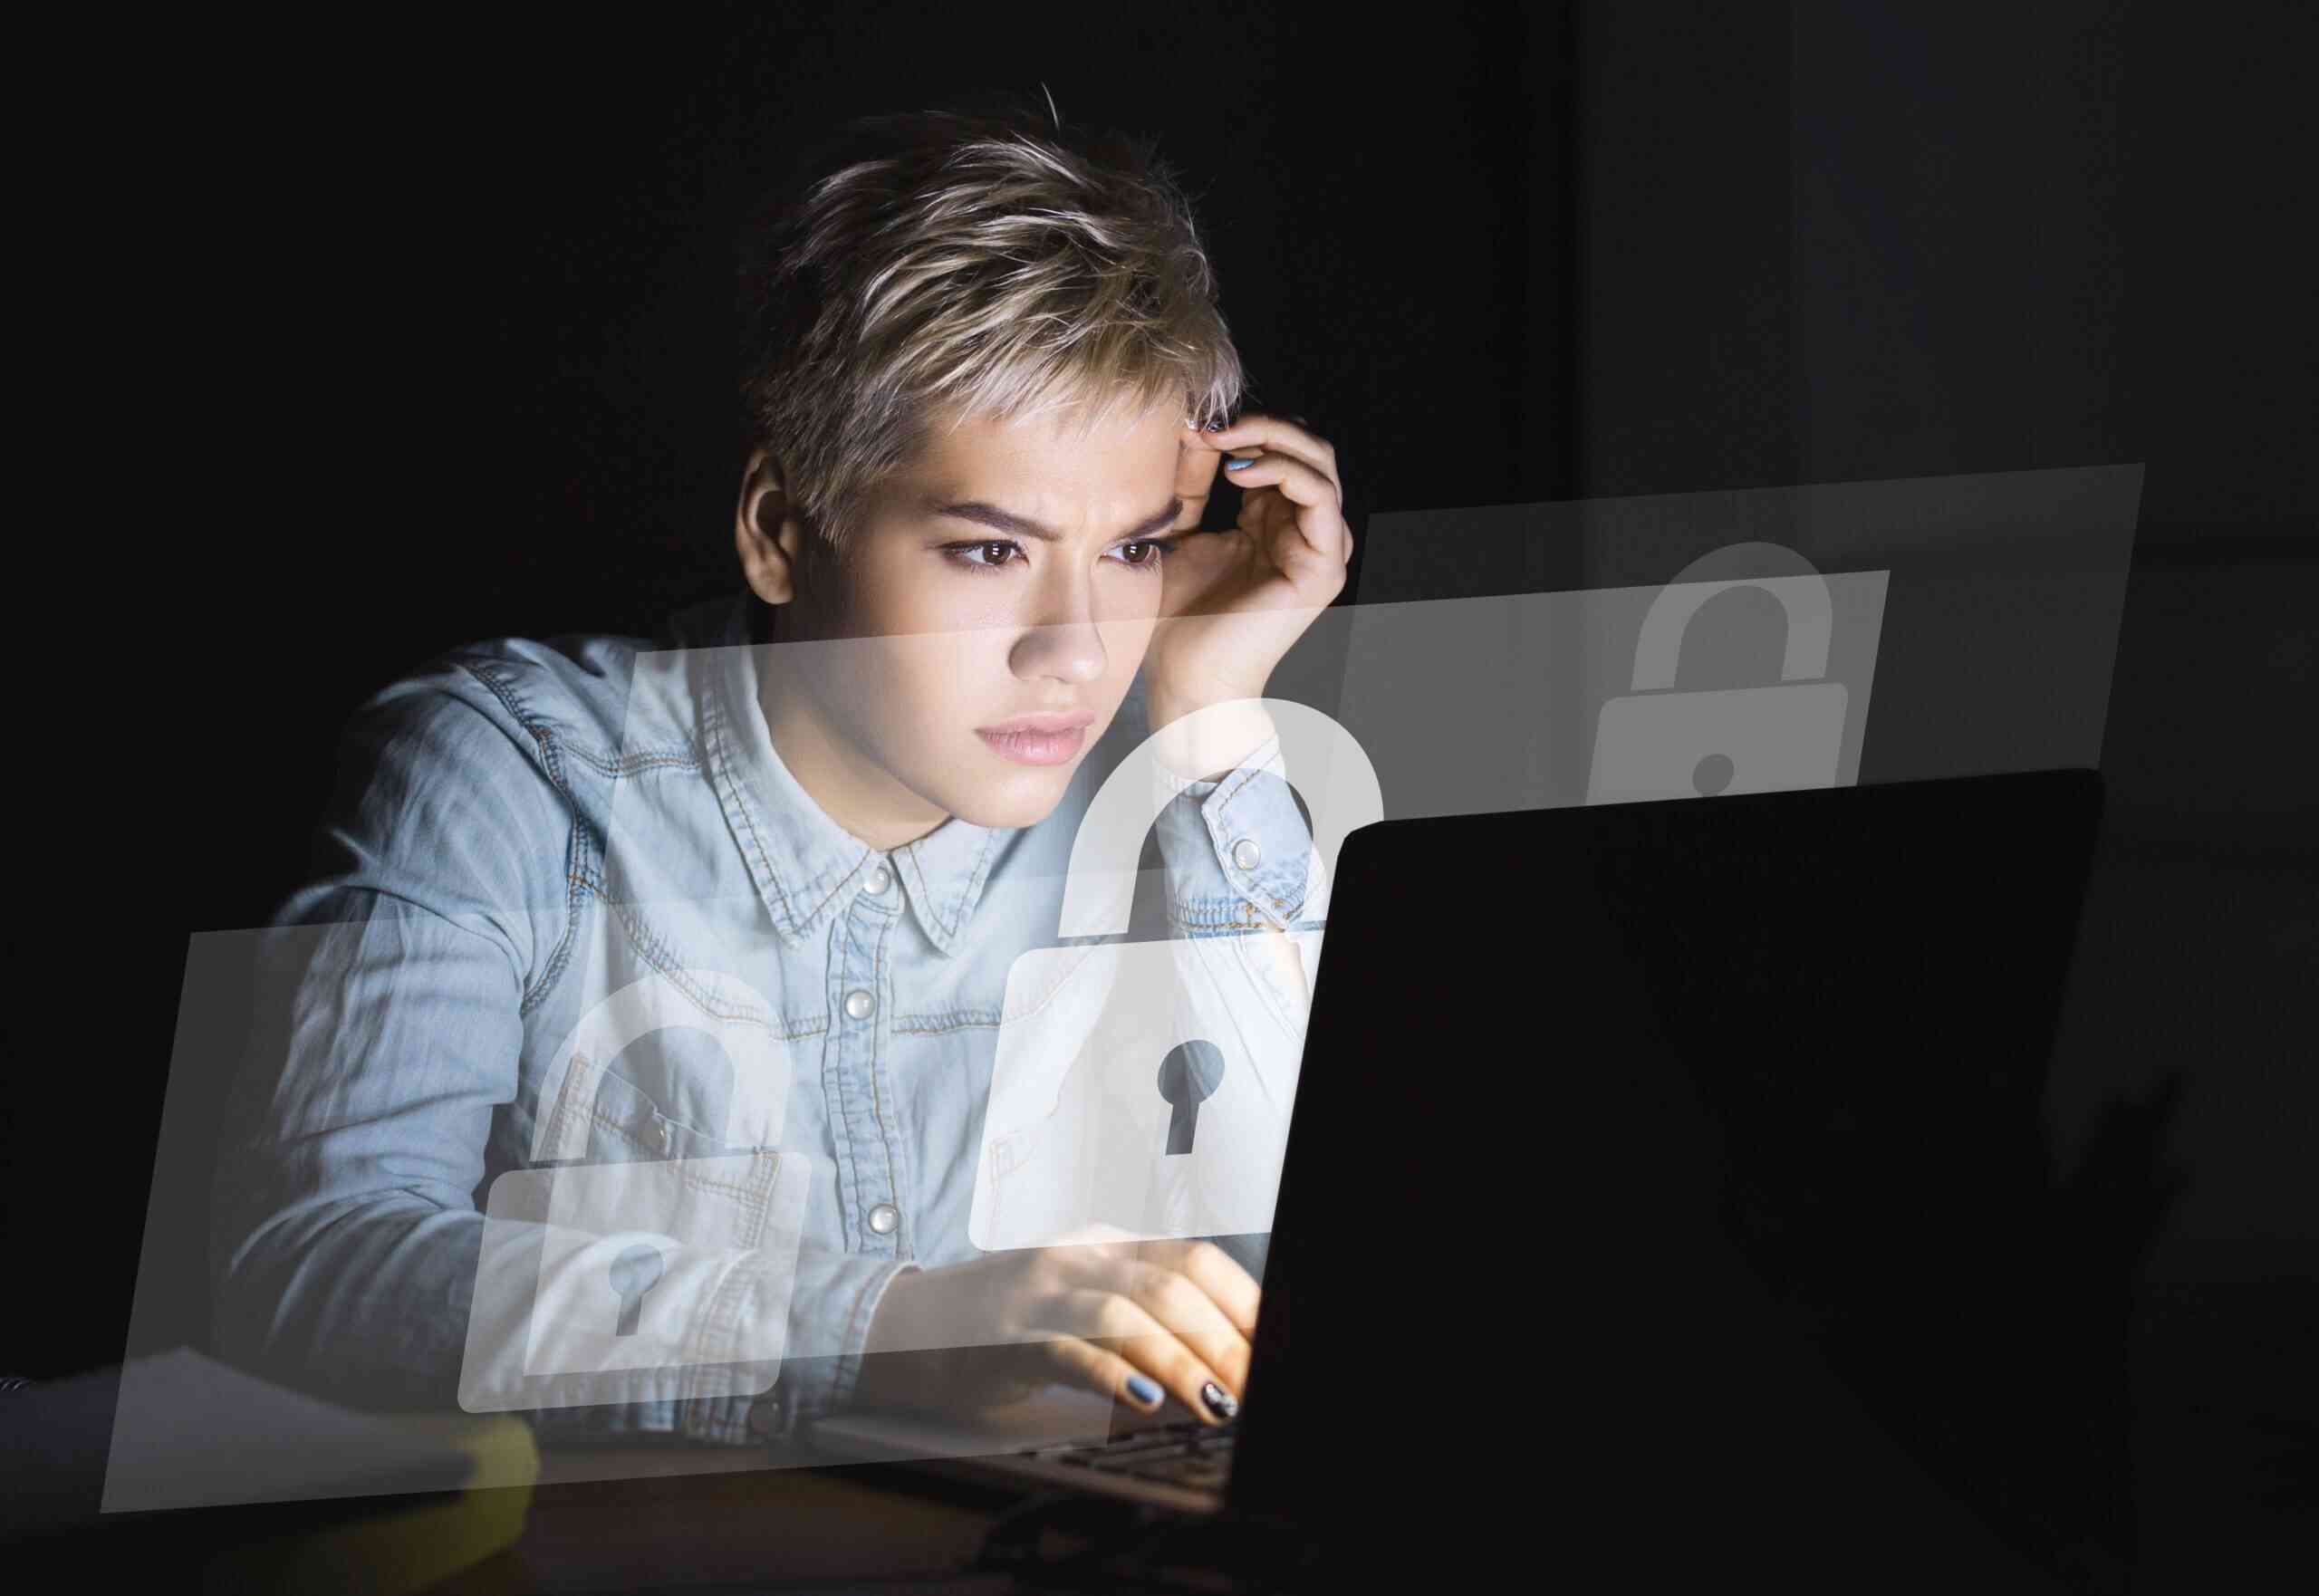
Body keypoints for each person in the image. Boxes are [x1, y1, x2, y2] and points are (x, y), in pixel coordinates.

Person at [208, 93, 1354, 1450]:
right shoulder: (505, 770)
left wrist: (1212, 720)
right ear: (777, 531)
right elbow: (310, 1257)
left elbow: (1333, 1268)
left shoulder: (1160, 784)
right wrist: (877, 1326)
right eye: (990, 550)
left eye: (1133, 547)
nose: (1077, 649)